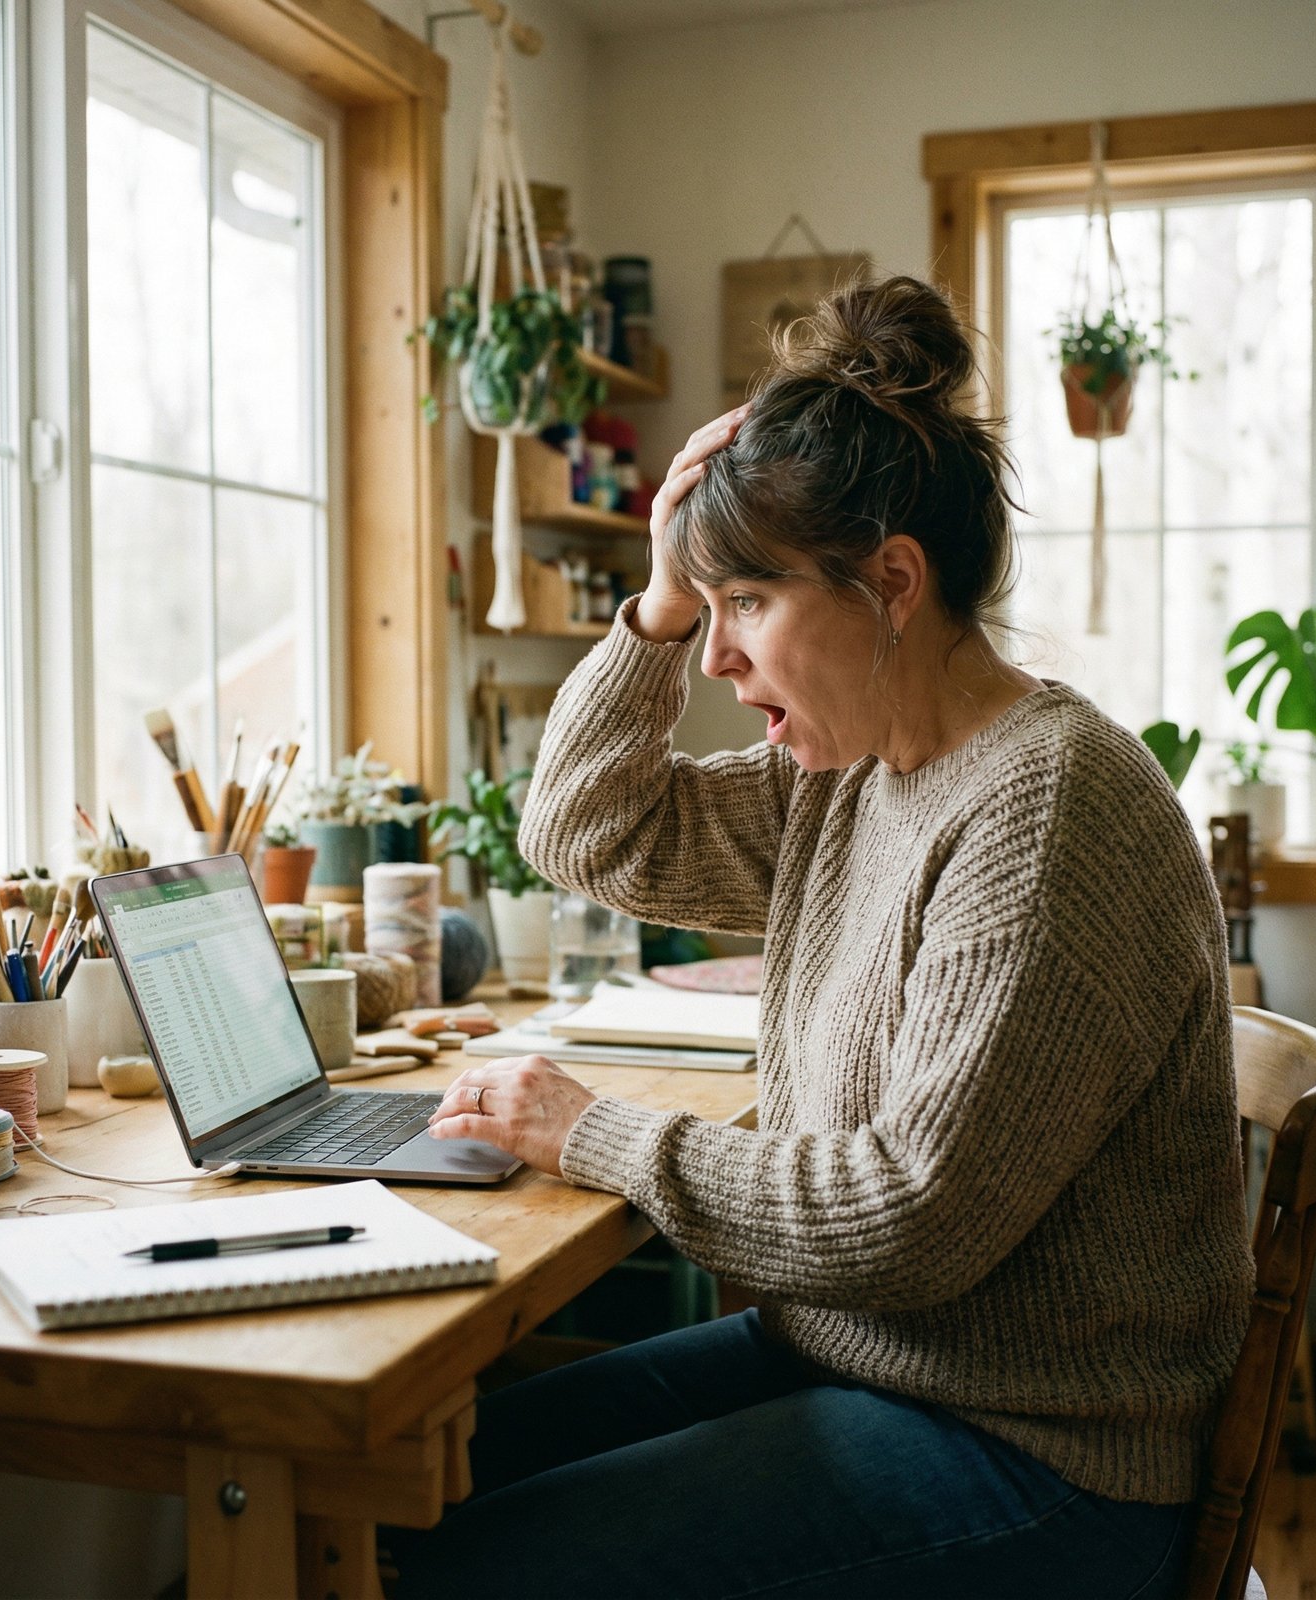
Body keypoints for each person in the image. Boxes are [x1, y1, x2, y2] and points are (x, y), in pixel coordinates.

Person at [397, 274, 1253, 1599]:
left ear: (893, 583)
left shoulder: (1051, 807)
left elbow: (903, 1221)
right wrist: (661, 606)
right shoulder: (853, 776)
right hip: (867, 1362)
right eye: (715, 612)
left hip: (1037, 1459)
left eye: (748, 605)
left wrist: (592, 1131)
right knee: (409, 1493)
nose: (723, 663)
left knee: (463, 1565)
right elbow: (583, 832)